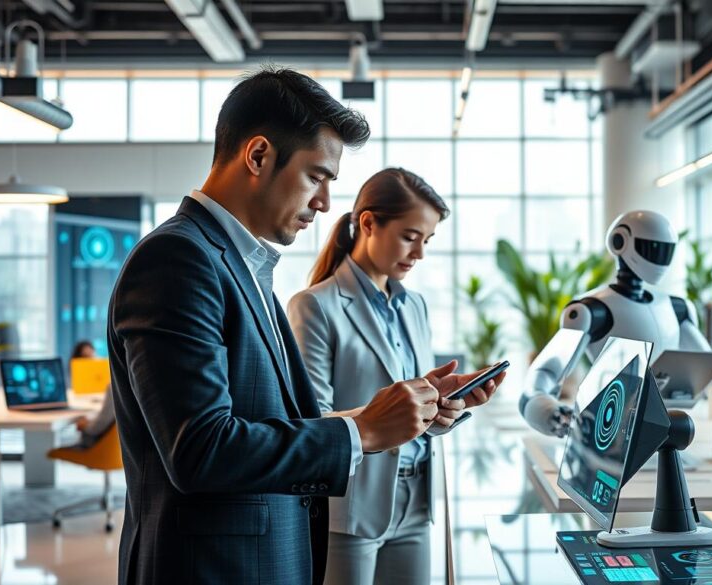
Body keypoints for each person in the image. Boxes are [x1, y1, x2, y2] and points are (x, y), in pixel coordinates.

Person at [107, 68, 460, 585]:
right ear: (258, 156)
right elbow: (201, 449)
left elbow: (276, 419)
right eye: (317, 176)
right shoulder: (177, 259)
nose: (324, 203)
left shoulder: (239, 264)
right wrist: (361, 431)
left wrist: (394, 417)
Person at [287, 168, 504, 585]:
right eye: (410, 236)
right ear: (368, 223)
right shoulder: (316, 306)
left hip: (416, 501)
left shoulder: (415, 306)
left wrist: (445, 405)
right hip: (351, 506)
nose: (419, 253)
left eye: (428, 240)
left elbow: (416, 417)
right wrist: (391, 411)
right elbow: (311, 423)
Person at [69, 340, 115, 448]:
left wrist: (86, 426)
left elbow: (99, 425)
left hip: (97, 445)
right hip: (112, 447)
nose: (90, 359)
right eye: (85, 356)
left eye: (92, 355)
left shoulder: (111, 387)